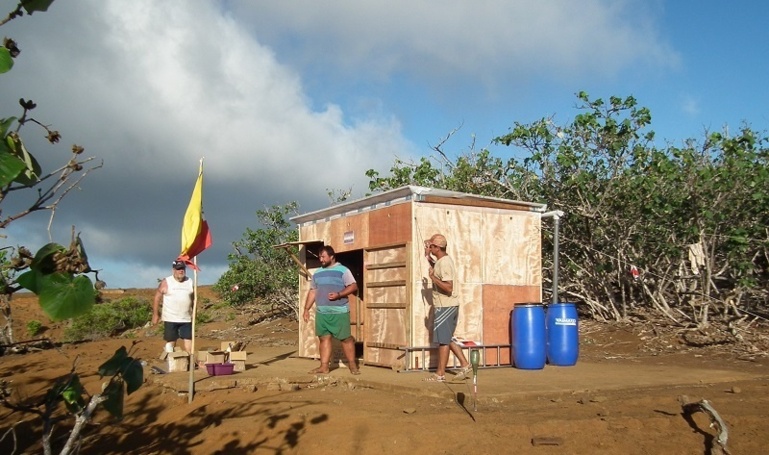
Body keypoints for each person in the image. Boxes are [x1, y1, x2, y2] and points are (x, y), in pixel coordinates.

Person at [303, 245, 361, 375]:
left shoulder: (343, 270)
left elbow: (353, 286)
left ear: (332, 257)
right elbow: (313, 291)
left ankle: (352, 365)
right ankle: (324, 367)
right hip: (322, 312)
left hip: (339, 311)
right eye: (320, 257)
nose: (321, 259)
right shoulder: (317, 273)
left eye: (323, 257)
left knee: (346, 339)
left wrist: (339, 294)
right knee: (324, 338)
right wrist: (306, 309)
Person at [424, 234, 470, 382]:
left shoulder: (444, 263)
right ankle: (464, 364)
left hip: (446, 305)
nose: (429, 248)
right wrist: (428, 258)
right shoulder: (441, 261)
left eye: (431, 246)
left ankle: (440, 374)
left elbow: (448, 287)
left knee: (443, 341)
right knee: (446, 337)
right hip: (445, 305)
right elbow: (437, 271)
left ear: (437, 248)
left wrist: (432, 279)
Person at [153, 260, 194, 355]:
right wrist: (155, 314)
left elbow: (193, 298)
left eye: (182, 269)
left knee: (188, 339)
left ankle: (191, 360)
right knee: (171, 340)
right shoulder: (166, 282)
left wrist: (194, 311)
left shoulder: (190, 281)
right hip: (170, 317)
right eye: (178, 269)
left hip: (186, 318)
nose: (181, 271)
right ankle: (171, 361)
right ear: (173, 270)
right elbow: (157, 297)